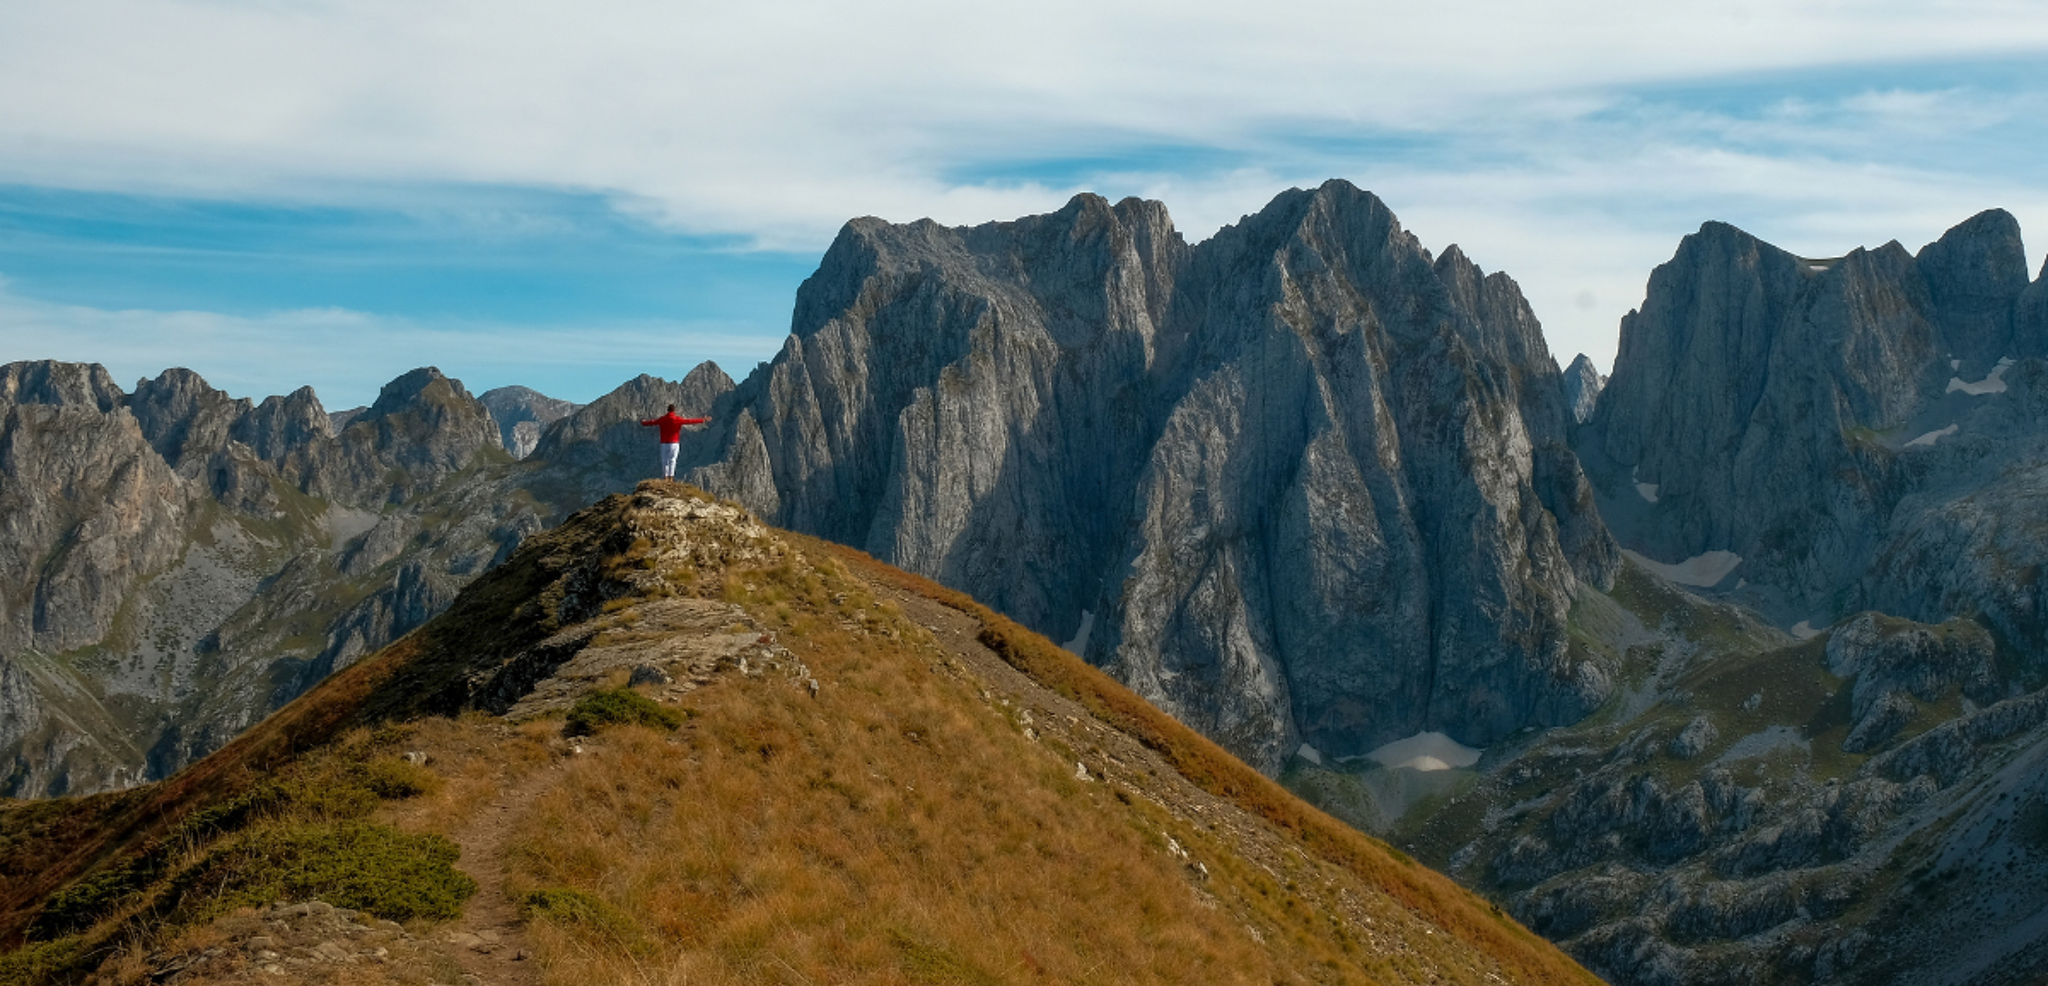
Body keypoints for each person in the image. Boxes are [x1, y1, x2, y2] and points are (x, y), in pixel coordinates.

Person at [640, 404, 709, 479]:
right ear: (674, 410)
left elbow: (652, 422)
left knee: (664, 460)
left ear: (667, 410)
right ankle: (671, 477)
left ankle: (665, 477)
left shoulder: (663, 419)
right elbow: (689, 421)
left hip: (664, 443)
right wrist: (703, 420)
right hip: (674, 443)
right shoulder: (677, 419)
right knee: (672, 460)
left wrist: (644, 422)